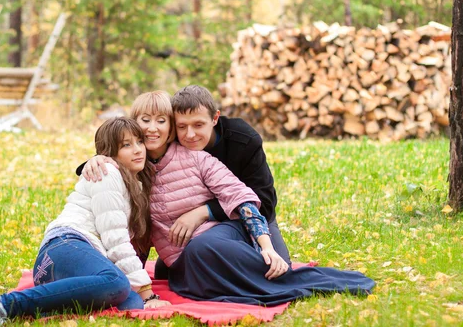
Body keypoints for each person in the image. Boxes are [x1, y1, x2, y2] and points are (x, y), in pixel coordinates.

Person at [79, 91, 375, 306]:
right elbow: (136, 231)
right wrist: (94, 162)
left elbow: (247, 198)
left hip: (227, 230)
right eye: (145, 120)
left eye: (162, 120)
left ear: (170, 126)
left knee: (216, 248)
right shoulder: (133, 170)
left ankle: (286, 274)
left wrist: (266, 246)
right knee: (191, 259)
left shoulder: (201, 156)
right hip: (186, 261)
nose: (154, 127)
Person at [0, 118, 169, 327]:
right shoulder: (107, 174)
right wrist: (147, 293)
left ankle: (47, 302)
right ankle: (0, 305)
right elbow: (116, 239)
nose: (137, 150)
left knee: (130, 302)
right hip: (64, 245)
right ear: (108, 153)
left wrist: (139, 295)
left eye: (139, 142)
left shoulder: (133, 184)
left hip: (58, 270)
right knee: (117, 283)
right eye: (126, 145)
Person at [80, 85, 291, 279]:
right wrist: (98, 159)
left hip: (249, 214)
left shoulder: (242, 140)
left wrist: (203, 212)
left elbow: (260, 200)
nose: (189, 135)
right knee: (170, 270)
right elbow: (122, 149)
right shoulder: (154, 149)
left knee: (280, 271)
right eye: (182, 126)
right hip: (188, 236)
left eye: (198, 125)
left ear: (215, 119)